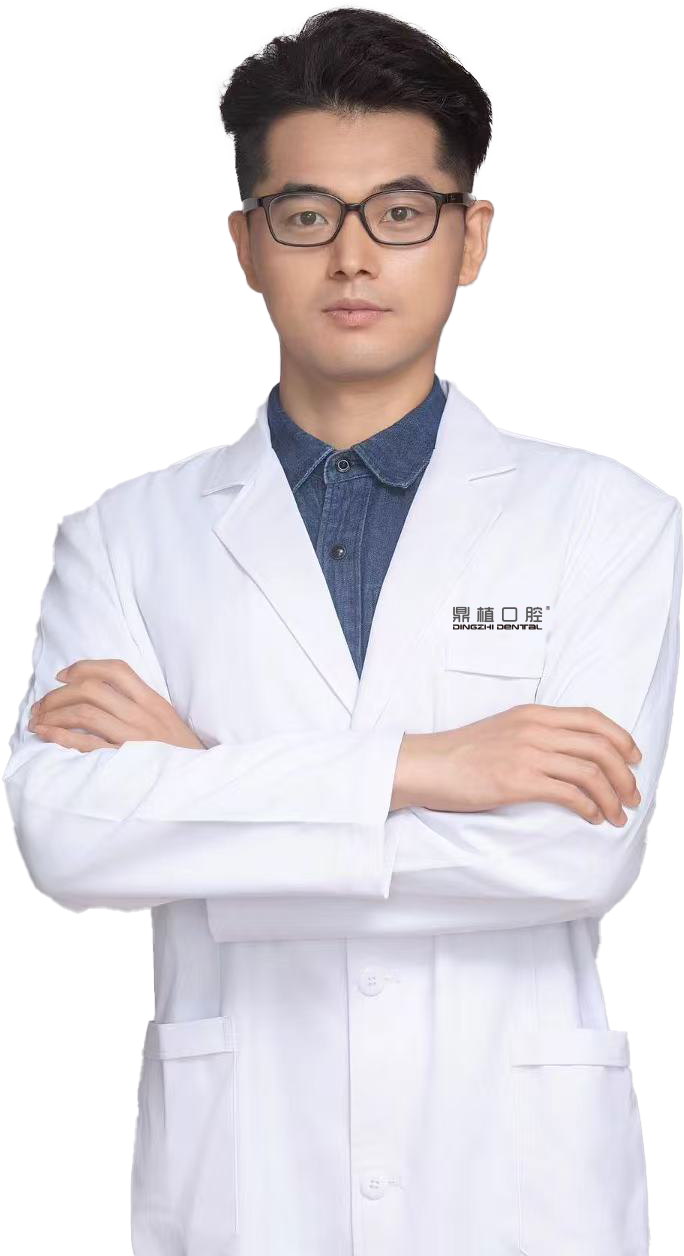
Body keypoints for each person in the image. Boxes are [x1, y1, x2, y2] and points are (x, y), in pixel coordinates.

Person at [3, 7, 681, 1254]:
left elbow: (572, 857)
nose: (354, 257)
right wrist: (426, 766)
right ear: (247, 245)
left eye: (402, 211)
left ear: (471, 237)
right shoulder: (125, 535)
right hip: (249, 1178)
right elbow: (69, 835)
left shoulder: (610, 521)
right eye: (306, 214)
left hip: (516, 1181)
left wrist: (201, 786)